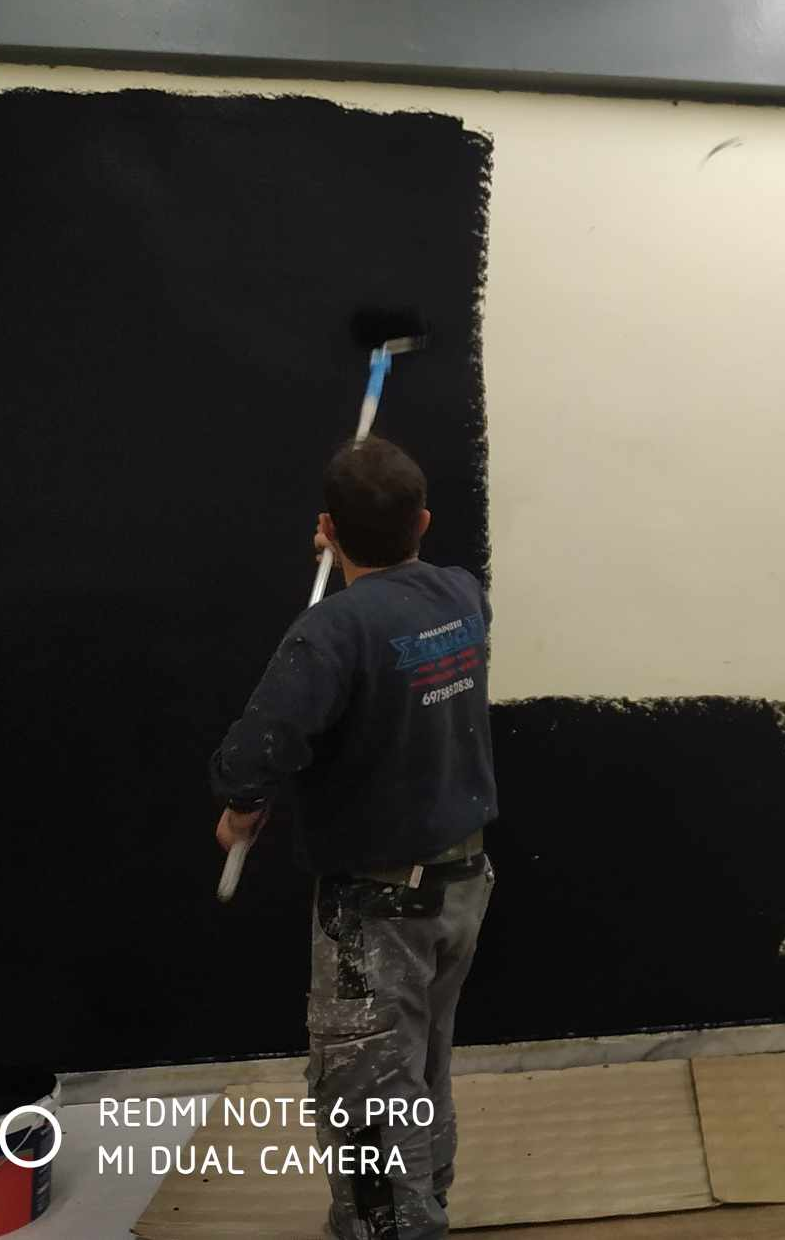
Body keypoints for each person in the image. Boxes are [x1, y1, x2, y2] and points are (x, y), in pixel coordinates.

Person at [210, 435, 497, 1240]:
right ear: (424, 522)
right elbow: (402, 609)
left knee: (368, 1092)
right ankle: (426, 1204)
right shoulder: (462, 596)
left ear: (329, 527)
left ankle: (393, 1228)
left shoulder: (330, 633)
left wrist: (240, 812)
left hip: (379, 905)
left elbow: (255, 752)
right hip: (462, 886)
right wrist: (351, 562)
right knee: (421, 1062)